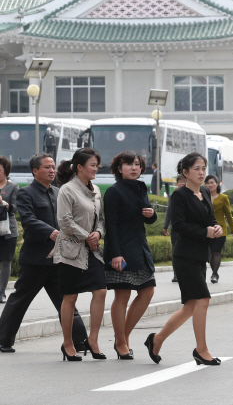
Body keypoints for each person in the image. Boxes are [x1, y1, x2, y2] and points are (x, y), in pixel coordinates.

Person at [0, 154, 88, 353]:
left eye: (53, 167)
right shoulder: (26, 194)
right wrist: (50, 232)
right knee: (19, 300)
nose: (52, 170)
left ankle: (80, 341)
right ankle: (3, 340)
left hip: (59, 258)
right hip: (36, 260)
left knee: (66, 300)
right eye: (47, 167)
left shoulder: (59, 193)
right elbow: (28, 220)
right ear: (35, 171)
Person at [146, 153, 223, 366]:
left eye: (203, 168)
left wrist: (216, 227)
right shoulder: (179, 195)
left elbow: (210, 218)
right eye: (196, 168)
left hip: (200, 257)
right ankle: (201, 349)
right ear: (185, 172)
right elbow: (178, 225)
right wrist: (204, 232)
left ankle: (156, 339)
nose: (201, 172)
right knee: (203, 299)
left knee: (190, 306)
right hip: (184, 256)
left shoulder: (206, 192)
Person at [103, 151, 158, 360]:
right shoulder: (114, 192)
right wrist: (116, 254)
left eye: (137, 164)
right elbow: (111, 225)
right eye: (128, 164)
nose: (133, 168)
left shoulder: (141, 187)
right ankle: (121, 342)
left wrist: (151, 214)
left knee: (148, 291)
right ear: (119, 168)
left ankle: (122, 338)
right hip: (121, 251)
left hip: (140, 248)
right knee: (122, 295)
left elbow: (148, 218)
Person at [54, 148, 107, 361]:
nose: (95, 169)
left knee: (101, 291)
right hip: (70, 251)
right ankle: (68, 343)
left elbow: (101, 218)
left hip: (92, 250)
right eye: (92, 165)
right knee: (70, 297)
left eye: (96, 165)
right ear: (79, 167)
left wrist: (98, 233)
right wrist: (87, 236)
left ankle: (93, 339)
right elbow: (64, 221)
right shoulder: (67, 190)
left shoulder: (96, 190)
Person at [205, 175, 233, 283]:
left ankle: (214, 274)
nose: (210, 185)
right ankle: (214, 269)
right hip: (207, 229)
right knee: (208, 253)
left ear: (217, 184)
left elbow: (228, 214)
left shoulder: (223, 198)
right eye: (208, 183)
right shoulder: (203, 197)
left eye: (212, 182)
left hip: (220, 230)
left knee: (216, 252)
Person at [0, 156, 19, 303]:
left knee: (6, 261)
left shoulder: (13, 187)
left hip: (8, 230)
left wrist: (3, 203)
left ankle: (1, 292)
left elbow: (16, 208)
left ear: (6, 171)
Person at [163, 174, 187, 282]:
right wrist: (165, 225)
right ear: (177, 183)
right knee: (175, 252)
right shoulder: (173, 195)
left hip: (188, 229)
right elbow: (169, 211)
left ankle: (186, 273)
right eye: (180, 181)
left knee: (186, 251)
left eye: (184, 181)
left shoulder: (191, 194)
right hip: (175, 228)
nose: (182, 183)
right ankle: (176, 274)